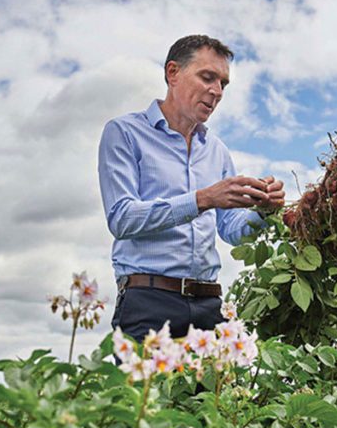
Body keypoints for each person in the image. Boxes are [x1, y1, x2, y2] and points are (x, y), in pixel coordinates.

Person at [99, 34, 284, 342]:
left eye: (223, 84)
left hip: (208, 306)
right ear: (173, 73)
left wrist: (263, 210)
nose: (216, 91)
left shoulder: (217, 150)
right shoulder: (124, 133)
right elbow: (121, 218)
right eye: (207, 77)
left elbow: (231, 229)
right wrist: (202, 199)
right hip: (148, 301)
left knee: (210, 392)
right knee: (145, 393)